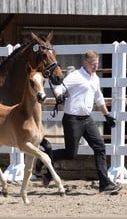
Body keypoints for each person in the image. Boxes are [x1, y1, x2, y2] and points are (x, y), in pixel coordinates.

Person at [37, 50, 122, 194]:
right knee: (70, 154)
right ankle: (44, 158)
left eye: (97, 64)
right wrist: (59, 96)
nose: (96, 67)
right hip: (72, 120)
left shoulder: (95, 78)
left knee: (100, 147)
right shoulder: (75, 76)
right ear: (85, 63)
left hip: (87, 119)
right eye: (93, 64)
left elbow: (99, 98)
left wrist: (107, 115)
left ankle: (105, 184)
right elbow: (59, 87)